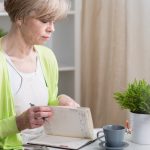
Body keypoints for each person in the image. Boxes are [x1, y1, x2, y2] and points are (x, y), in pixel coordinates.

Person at [0, 0, 79, 149]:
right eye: (44, 21)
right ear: (20, 17)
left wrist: (61, 101)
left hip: (48, 144)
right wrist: (19, 123)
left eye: (53, 21)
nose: (52, 29)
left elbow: (48, 104)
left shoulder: (47, 56)